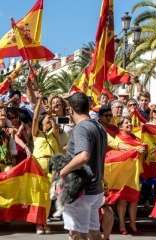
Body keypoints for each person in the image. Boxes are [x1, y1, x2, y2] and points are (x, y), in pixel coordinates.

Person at [59, 92, 107, 240]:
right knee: (94, 232)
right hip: (94, 189)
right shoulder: (98, 126)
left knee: (76, 234)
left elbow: (84, 156)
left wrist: (63, 171)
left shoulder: (81, 128)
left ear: (71, 109)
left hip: (82, 191)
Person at [110, 116, 147, 235]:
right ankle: (122, 224)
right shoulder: (117, 138)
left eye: (130, 122)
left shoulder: (136, 137)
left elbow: (142, 153)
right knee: (123, 200)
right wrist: (136, 149)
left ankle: (133, 223)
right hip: (123, 173)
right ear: (120, 126)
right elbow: (119, 151)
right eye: (126, 123)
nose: (129, 124)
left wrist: (144, 150)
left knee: (134, 199)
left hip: (134, 173)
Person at [32, 95, 61, 234]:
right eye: (47, 119)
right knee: (39, 195)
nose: (49, 120)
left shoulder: (54, 133)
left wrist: (51, 116)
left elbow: (55, 125)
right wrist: (38, 102)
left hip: (51, 165)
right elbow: (35, 118)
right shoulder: (36, 133)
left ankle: (44, 221)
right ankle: (38, 223)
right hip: (38, 164)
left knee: (48, 196)